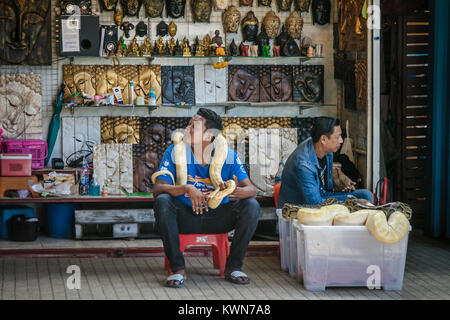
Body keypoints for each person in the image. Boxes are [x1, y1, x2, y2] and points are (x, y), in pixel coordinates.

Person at [153, 108, 260, 288]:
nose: (186, 129)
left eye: (193, 127)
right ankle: (178, 269)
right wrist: (187, 187)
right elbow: (158, 189)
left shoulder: (228, 156)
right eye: (188, 124)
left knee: (251, 205)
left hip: (217, 217)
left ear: (208, 135)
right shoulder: (175, 151)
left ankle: (233, 267)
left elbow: (251, 190)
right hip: (185, 216)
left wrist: (232, 190)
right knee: (162, 201)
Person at [278, 117, 374, 208]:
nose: (341, 141)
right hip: (301, 207)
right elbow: (315, 204)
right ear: (323, 139)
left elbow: (326, 189)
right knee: (359, 204)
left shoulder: (326, 150)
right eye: (337, 137)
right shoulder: (303, 165)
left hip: (320, 196)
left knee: (366, 195)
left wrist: (340, 184)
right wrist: (352, 203)